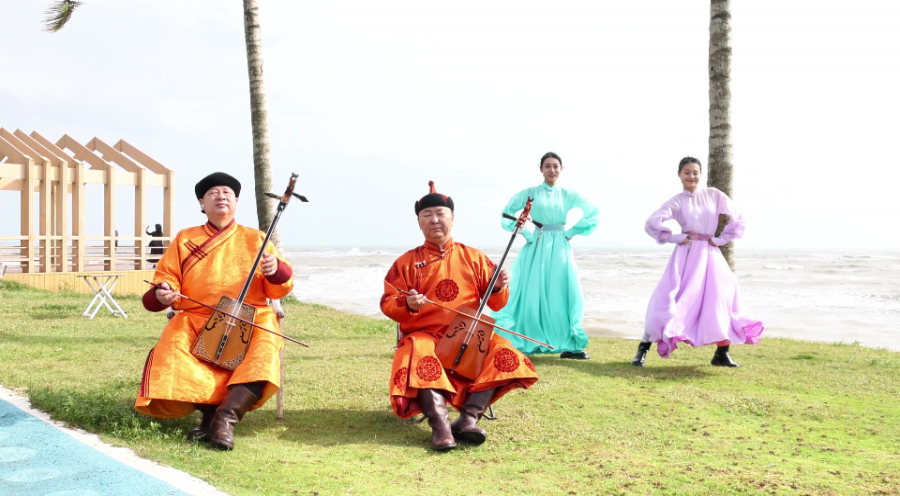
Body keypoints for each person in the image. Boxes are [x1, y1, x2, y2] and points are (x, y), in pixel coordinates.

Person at [136, 172, 294, 450]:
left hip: (250, 316)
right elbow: (166, 279)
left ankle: (225, 419)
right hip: (197, 316)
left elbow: (279, 287)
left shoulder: (257, 239)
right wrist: (163, 292)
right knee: (174, 348)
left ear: (236, 202)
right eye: (213, 193)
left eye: (227, 193)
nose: (221, 196)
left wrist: (274, 270)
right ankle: (209, 417)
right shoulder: (185, 238)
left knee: (263, 351)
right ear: (202, 203)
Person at [381, 181, 538, 451]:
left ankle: (467, 419)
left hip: (468, 336)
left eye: (440, 214)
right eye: (427, 215)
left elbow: (497, 304)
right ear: (419, 222)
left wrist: (498, 286)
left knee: (504, 351)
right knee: (418, 348)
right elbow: (388, 303)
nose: (434, 220)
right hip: (425, 335)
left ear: (452, 218)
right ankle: (441, 426)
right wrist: (407, 302)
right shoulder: (406, 263)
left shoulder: (474, 258)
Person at [633, 157, 763, 367]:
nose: (691, 176)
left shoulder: (714, 195)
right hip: (687, 255)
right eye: (687, 172)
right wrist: (676, 237)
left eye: (695, 172)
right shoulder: (677, 201)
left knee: (721, 295)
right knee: (669, 299)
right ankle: (642, 349)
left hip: (710, 254)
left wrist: (721, 239)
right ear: (679, 174)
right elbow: (652, 223)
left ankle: (722, 353)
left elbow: (738, 218)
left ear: (700, 174)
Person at [493, 152, 599, 360]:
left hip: (560, 246)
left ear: (561, 169)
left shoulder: (568, 194)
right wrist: (526, 233)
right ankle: (528, 339)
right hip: (536, 245)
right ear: (541, 169)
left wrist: (570, 232)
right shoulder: (531, 193)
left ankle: (569, 344)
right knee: (531, 291)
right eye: (548, 166)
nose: (552, 170)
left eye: (556, 166)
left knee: (563, 290)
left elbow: (592, 213)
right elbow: (507, 213)